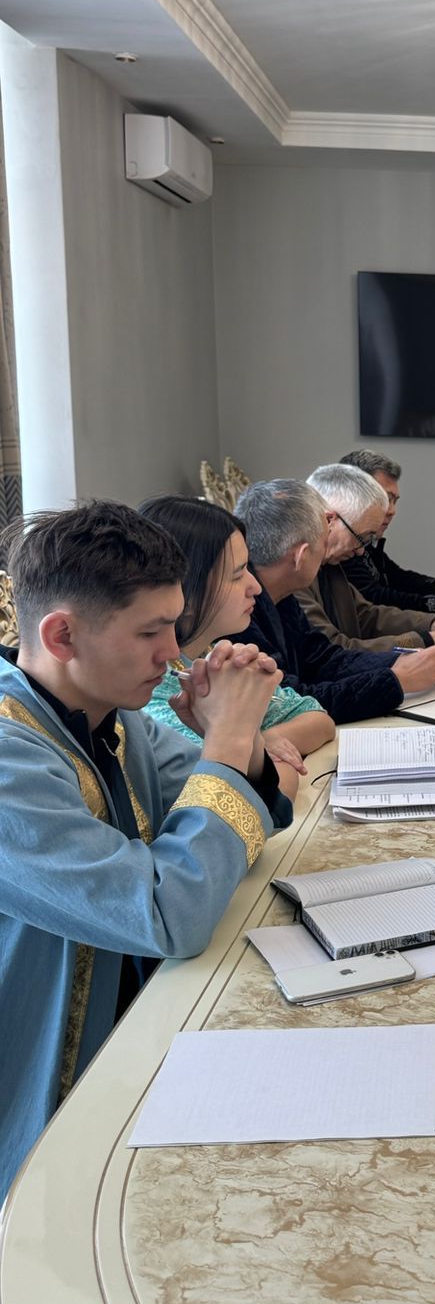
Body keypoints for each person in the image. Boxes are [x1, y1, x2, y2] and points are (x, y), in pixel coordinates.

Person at [0, 501, 292, 1199]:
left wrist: (231, 734)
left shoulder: (112, 714)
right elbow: (167, 914)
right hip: (45, 1089)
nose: (173, 653)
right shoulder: (11, 756)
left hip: (140, 1029)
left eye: (174, 625)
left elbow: (245, 829)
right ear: (62, 634)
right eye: (151, 631)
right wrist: (227, 740)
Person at [139, 496, 336, 785]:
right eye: (237, 574)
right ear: (186, 593)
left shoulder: (212, 656)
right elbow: (272, 788)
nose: (255, 587)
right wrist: (257, 747)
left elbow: (319, 719)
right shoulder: (157, 693)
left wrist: (267, 739)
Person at [236, 479, 435, 723]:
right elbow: (292, 703)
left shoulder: (281, 594)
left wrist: (402, 660)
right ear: (301, 556)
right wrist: (397, 680)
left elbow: (324, 659)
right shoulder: (240, 612)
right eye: (324, 541)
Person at [300, 464, 435, 657]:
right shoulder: (295, 572)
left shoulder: (329, 564)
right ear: (329, 521)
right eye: (361, 538)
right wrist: (425, 640)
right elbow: (332, 649)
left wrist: (432, 623)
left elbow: (365, 615)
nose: (361, 551)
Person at [337, 449, 435, 624]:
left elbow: (395, 576)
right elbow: (375, 599)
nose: (392, 511)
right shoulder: (342, 546)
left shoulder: (364, 539)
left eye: (394, 501)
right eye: (384, 499)